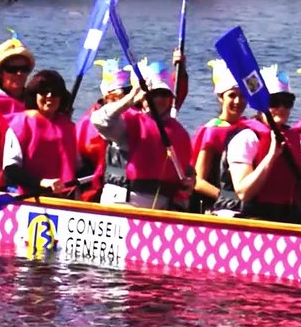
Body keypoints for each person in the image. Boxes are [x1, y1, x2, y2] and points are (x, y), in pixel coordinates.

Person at [210, 65, 301, 223]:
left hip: (279, 215)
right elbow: (244, 192)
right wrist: (271, 156)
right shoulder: (246, 138)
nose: (282, 108)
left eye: (287, 102)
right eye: (275, 102)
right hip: (241, 215)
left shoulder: (295, 139)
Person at [91, 58, 194, 210]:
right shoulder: (128, 121)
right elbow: (99, 121)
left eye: (165, 94)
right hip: (123, 201)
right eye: (155, 94)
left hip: (160, 205)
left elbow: (187, 168)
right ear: (144, 97)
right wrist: (130, 99)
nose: (160, 99)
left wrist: (190, 180)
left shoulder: (179, 132)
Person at [2, 69, 79, 197]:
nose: (49, 96)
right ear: (35, 94)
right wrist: (41, 183)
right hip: (29, 198)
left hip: (64, 198)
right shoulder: (20, 125)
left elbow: (77, 165)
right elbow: (10, 170)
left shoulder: (69, 127)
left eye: (55, 92)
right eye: (43, 91)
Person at [190, 59, 247, 212]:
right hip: (215, 207)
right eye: (232, 95)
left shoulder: (248, 128)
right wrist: (226, 199)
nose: (238, 101)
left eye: (242, 96)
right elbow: (199, 181)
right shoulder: (213, 131)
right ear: (221, 98)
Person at [76, 58, 132, 203]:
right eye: (124, 93)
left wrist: (180, 73)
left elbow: (163, 106)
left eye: (130, 92)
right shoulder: (88, 122)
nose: (128, 98)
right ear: (108, 96)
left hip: (124, 186)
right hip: (91, 190)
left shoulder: (134, 116)